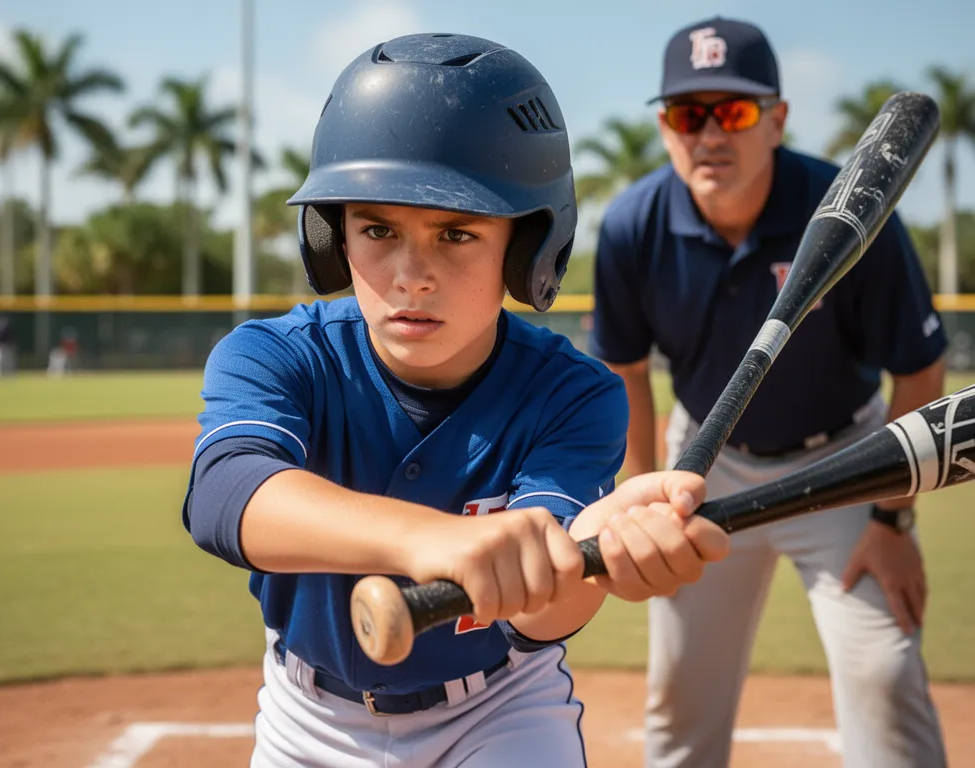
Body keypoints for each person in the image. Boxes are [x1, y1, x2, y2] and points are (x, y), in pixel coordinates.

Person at [182, 33, 730, 768]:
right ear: (332, 236)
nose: (412, 274)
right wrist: (428, 539)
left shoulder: (573, 394)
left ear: (527, 245)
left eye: (457, 232)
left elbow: (539, 618)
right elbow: (225, 494)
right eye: (377, 229)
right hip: (306, 720)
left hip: (498, 710)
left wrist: (599, 546)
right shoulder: (279, 355)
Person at [590, 16, 949, 768]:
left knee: (885, 673)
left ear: (778, 119)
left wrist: (893, 517)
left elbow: (918, 370)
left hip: (847, 462)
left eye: (736, 112)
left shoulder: (853, 214)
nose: (710, 134)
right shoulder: (631, 228)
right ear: (664, 128)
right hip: (702, 463)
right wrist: (642, 496)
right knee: (680, 698)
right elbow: (625, 372)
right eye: (690, 115)